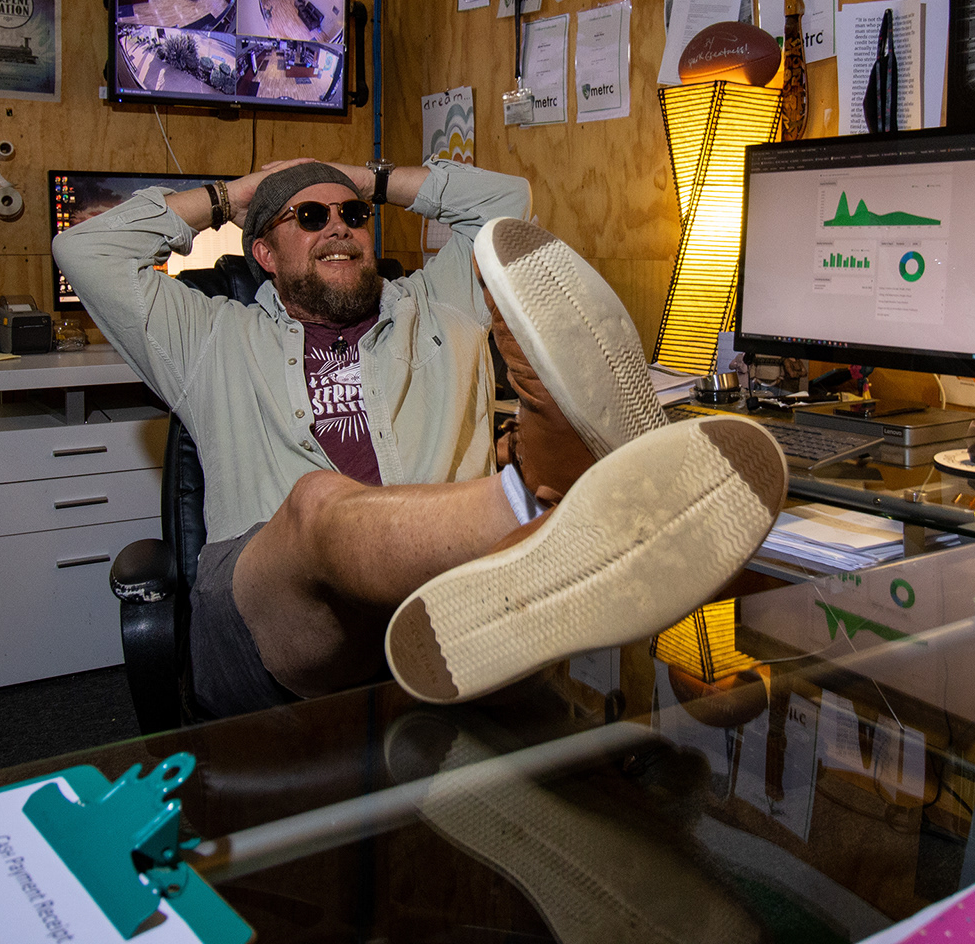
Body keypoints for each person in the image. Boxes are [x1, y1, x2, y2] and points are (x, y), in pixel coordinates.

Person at [54, 159, 784, 713]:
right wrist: (236, 195)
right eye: (308, 216)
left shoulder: (436, 304)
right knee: (317, 505)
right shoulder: (208, 336)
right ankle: (545, 500)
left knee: (508, 418)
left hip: (447, 597)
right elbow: (85, 249)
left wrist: (367, 176)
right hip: (273, 609)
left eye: (352, 213)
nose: (339, 225)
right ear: (265, 256)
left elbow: (502, 203)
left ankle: (548, 484)